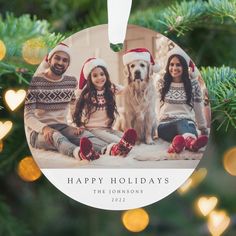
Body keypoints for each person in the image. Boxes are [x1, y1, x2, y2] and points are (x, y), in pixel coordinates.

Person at [25, 43, 108, 161]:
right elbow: (28, 116)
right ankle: (79, 153)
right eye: (57, 58)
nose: (60, 63)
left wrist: (76, 125)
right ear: (49, 59)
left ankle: (110, 149)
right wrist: (45, 129)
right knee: (56, 137)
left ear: (68, 64)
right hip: (38, 132)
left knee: (84, 135)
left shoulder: (71, 81)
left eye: (65, 60)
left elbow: (73, 106)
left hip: (63, 127)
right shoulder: (35, 81)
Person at [73, 57, 137, 156]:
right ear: (90, 78)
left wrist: (132, 78)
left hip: (108, 128)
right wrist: (79, 125)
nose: (99, 78)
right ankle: (118, 149)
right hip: (93, 129)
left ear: (106, 75)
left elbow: (126, 90)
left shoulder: (111, 88)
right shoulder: (87, 94)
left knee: (124, 137)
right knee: (117, 141)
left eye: (102, 74)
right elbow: (77, 110)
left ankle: (124, 147)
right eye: (95, 75)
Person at [156, 53, 209, 153]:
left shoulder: (193, 85)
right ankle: (190, 142)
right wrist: (153, 129)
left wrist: (203, 128)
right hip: (165, 126)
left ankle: (178, 145)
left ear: (184, 67)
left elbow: (198, 109)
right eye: (171, 64)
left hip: (188, 125)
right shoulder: (161, 83)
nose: (174, 68)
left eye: (178, 65)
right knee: (181, 122)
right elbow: (155, 107)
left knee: (185, 125)